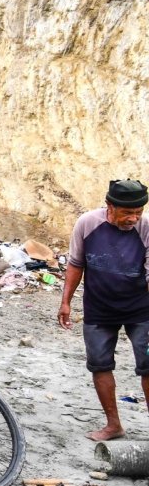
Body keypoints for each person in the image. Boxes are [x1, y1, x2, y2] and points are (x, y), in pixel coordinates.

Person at [58, 178, 149, 441]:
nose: (133, 218)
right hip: (99, 307)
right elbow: (76, 263)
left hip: (140, 308)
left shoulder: (146, 228)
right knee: (99, 364)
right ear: (109, 205)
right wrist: (66, 302)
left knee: (148, 365)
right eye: (127, 212)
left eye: (138, 212)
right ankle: (113, 425)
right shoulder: (87, 223)